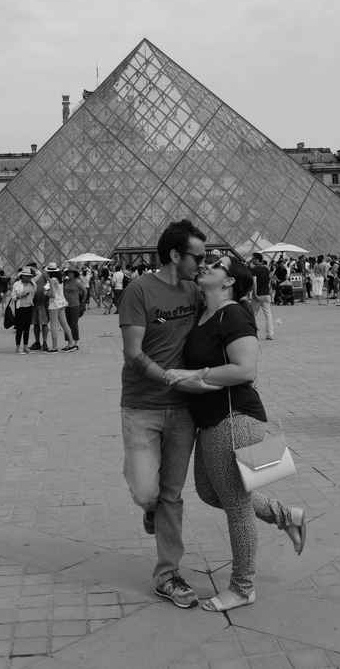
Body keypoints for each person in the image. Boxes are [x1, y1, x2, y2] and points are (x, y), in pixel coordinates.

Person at [173, 255, 306, 613]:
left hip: (234, 418)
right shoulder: (205, 313)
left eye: (215, 265)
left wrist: (192, 376)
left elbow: (245, 369)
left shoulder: (233, 314)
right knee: (209, 492)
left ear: (229, 281)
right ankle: (286, 515)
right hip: (211, 420)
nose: (205, 266)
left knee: (235, 504)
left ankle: (243, 587)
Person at [119, 219, 211, 610]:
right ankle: (150, 508)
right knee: (146, 491)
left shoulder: (195, 291)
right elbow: (133, 352)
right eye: (198, 257)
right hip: (142, 405)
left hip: (183, 410)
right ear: (176, 255)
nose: (203, 264)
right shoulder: (138, 291)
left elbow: (227, 309)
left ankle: (167, 573)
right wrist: (170, 379)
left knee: (172, 495)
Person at [45, 265, 77, 351]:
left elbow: (52, 294)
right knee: (65, 324)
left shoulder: (51, 280)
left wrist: (46, 293)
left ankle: (55, 346)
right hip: (62, 303)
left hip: (54, 304)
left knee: (53, 325)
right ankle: (71, 343)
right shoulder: (60, 280)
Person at [11, 268, 37, 353]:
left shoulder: (33, 284)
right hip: (20, 308)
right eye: (27, 276)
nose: (29, 278)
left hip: (29, 307)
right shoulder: (17, 284)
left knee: (27, 328)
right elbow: (13, 297)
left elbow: (34, 294)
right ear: (22, 276)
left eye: (29, 276)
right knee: (19, 328)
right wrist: (21, 296)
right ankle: (18, 347)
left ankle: (25, 346)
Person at [250, 253, 274, 340]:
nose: (252, 260)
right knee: (268, 315)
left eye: (253, 258)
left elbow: (254, 282)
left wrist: (255, 293)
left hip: (258, 295)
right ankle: (270, 334)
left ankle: (253, 333)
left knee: (253, 315)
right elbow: (269, 282)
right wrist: (270, 293)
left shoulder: (254, 269)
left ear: (257, 259)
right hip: (266, 294)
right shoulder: (266, 269)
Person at [63, 267, 86, 347]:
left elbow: (85, 291)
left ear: (74, 274)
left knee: (74, 324)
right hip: (66, 306)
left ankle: (75, 341)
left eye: (71, 273)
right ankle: (69, 341)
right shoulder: (66, 282)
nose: (69, 274)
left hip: (75, 305)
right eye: (68, 273)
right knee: (66, 324)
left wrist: (83, 301)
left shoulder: (77, 282)